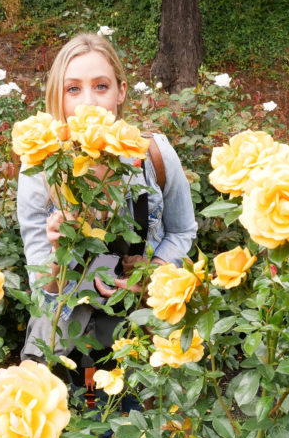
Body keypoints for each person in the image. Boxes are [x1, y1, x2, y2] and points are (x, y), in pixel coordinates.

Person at [16, 32, 197, 368]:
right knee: (70, 413)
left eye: (101, 86)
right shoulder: (40, 171)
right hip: (67, 333)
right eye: (74, 89)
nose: (89, 102)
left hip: (141, 329)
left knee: (137, 414)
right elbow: (44, 292)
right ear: (59, 98)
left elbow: (183, 231)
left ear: (121, 92)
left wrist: (149, 275)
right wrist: (58, 252)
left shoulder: (152, 156)